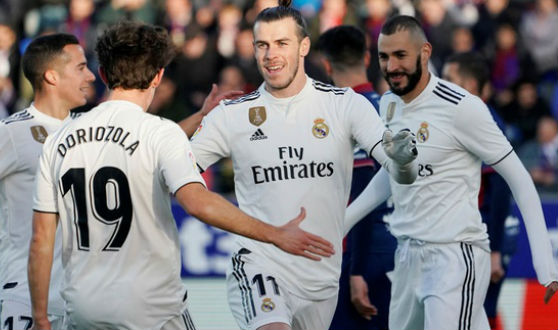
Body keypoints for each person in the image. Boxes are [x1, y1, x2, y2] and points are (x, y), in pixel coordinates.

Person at [27, 21, 334, 330]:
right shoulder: (158, 133)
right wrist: (276, 234)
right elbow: (197, 203)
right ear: (159, 75)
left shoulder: (58, 141)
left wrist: (40, 317)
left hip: (82, 310)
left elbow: (41, 237)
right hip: (151, 309)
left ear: (104, 74)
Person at [189, 1, 419, 329]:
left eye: (282, 43)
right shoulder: (232, 114)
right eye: (262, 45)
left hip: (321, 278)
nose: (271, 55)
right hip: (260, 265)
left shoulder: (344, 104)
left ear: (304, 46)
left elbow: (395, 169)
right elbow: (180, 172)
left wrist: (403, 159)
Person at [343, 15, 558, 330]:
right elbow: (393, 175)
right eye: (384, 57)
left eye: (400, 55)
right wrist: (340, 226)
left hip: (454, 256)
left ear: (425, 53)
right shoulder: (388, 104)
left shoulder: (462, 107)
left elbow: (519, 180)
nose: (391, 66)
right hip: (405, 257)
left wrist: (545, 263)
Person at [0, 33, 95, 329]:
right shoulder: (8, 132)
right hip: (21, 295)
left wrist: (203, 118)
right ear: (51, 76)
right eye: (80, 67)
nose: (89, 76)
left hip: (77, 300)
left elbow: (147, 145)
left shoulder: (86, 131)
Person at [317, 25, 396, 330]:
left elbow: (361, 190)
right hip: (398, 248)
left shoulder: (337, 115)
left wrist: (357, 270)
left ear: (326, 65)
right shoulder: (392, 109)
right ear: (367, 58)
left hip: (359, 253)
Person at [442, 51, 519, 329]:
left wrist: (495, 249)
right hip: (485, 233)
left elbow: (499, 189)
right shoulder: (468, 119)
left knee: (476, 312)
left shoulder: (484, 122)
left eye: (449, 79)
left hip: (488, 234)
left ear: (471, 85)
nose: (442, 84)